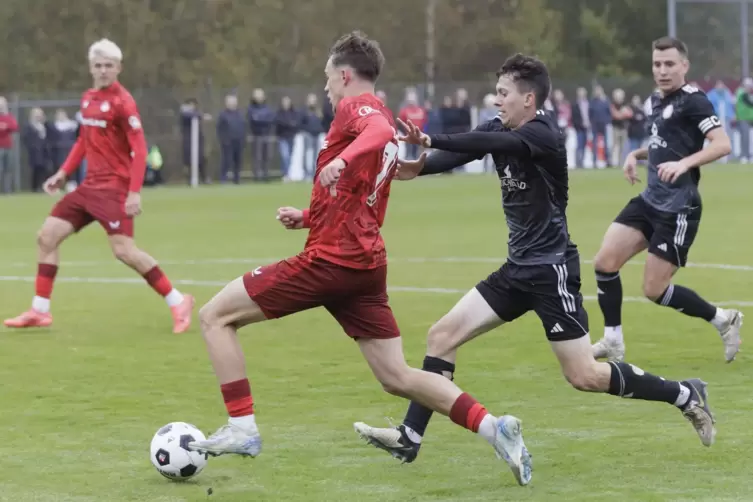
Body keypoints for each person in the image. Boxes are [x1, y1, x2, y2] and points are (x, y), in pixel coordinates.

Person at [187, 32, 533, 487]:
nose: (327, 88)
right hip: (364, 265)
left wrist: (341, 160)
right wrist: (310, 216)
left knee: (214, 317)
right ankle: (496, 428)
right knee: (396, 375)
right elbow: (363, 197)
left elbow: (376, 133)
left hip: (332, 261)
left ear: (345, 75)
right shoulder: (378, 113)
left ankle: (242, 427)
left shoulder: (359, 110)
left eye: (329, 78)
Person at [352, 53, 716, 480]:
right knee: (441, 336)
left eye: (503, 93)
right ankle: (410, 437)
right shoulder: (498, 127)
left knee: (584, 375)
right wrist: (415, 167)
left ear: (529, 98)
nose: (496, 99)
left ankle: (683, 393)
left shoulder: (544, 133)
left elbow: (491, 145)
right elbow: (466, 148)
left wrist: (431, 140)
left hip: (552, 272)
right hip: (517, 269)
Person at [3, 39, 194, 333]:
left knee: (124, 252)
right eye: (98, 65)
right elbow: (83, 140)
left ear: (118, 68)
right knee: (47, 237)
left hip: (115, 189)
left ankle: (178, 300)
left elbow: (140, 150)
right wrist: (63, 173)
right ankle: (40, 310)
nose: (103, 70)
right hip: (88, 188)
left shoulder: (123, 102)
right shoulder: (88, 98)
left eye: (109, 65)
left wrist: (133, 192)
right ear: (91, 67)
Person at [590, 37, 740, 363]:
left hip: (679, 206)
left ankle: (722, 319)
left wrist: (685, 164)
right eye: (657, 64)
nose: (662, 70)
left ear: (684, 66)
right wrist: (635, 153)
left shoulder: (695, 101)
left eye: (669, 64)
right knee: (604, 263)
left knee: (654, 290)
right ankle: (613, 339)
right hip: (650, 199)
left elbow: (722, 143)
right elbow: (662, 145)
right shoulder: (654, 101)